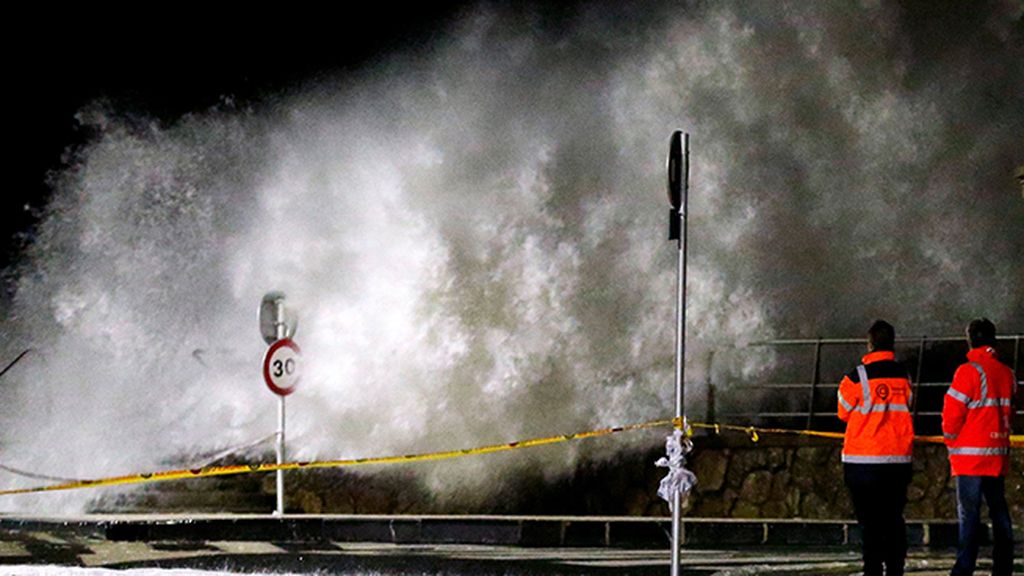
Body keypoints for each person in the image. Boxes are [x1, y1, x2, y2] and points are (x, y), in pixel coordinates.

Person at [837, 320, 915, 576]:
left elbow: (842, 412)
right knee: (893, 519)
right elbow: (909, 402)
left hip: (862, 464)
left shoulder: (855, 377)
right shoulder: (903, 375)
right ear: (892, 344)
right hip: (897, 461)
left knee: (869, 523)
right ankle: (895, 568)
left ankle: (873, 570)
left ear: (869, 344)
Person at [942, 318, 1016, 576]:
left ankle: (964, 569)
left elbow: (952, 415)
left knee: (969, 517)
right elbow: (1010, 413)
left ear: (970, 340)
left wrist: (952, 440)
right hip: (997, 456)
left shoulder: (968, 372)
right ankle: (1004, 567)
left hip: (970, 460)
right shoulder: (1007, 374)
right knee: (1000, 513)